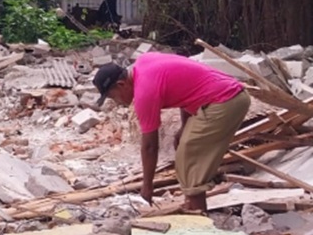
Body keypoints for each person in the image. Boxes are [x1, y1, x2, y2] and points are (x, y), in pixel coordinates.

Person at [94, 54, 251, 213]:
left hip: (224, 101)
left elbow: (150, 146)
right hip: (232, 95)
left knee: (189, 159)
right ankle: (191, 207)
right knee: (186, 150)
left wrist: (147, 186)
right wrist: (184, 127)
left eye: (113, 96)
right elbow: (185, 88)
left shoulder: (144, 92)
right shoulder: (144, 62)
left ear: (121, 84)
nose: (116, 101)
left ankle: (200, 219)